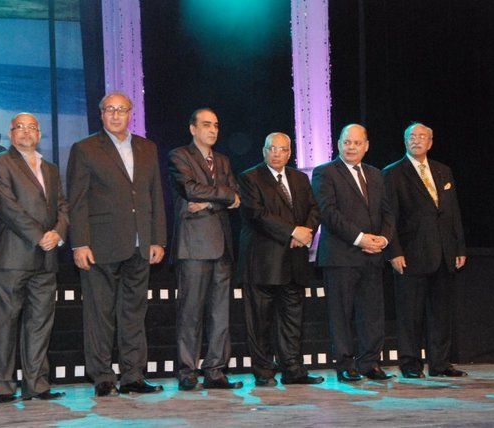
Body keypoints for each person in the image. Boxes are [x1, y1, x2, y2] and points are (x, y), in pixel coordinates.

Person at [67, 92, 167, 397]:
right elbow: (77, 201)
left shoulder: (147, 147)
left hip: (140, 243)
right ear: (101, 114)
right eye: (109, 109)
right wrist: (79, 243)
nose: (115, 114)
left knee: (134, 313)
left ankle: (133, 376)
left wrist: (158, 238)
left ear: (130, 113)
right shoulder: (85, 148)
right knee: (99, 314)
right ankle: (102, 377)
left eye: (121, 109)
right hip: (100, 245)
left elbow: (155, 195)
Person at [0, 113, 68, 403]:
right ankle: (1, 387)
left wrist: (58, 233)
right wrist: (40, 235)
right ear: (10, 134)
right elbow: (7, 207)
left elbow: (62, 206)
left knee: (40, 324)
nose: (26, 132)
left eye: (32, 127)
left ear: (39, 134)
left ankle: (37, 384)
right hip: (13, 256)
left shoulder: (51, 168)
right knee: (4, 323)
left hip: (47, 259)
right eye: (19, 127)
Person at [237, 132, 324, 386]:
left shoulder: (299, 178)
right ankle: (264, 372)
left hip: (295, 261)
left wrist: (306, 232)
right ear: (264, 151)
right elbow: (257, 215)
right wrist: (292, 231)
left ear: (289, 153)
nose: (277, 153)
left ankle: (293, 370)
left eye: (282, 149)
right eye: (272, 148)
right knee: (260, 321)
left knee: (292, 319)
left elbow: (314, 209)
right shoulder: (250, 177)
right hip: (263, 263)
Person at [383, 123, 467, 378]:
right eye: (412, 136)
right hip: (411, 254)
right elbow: (389, 217)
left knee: (441, 312)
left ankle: (440, 364)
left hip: (444, 252)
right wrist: (394, 251)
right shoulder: (393, 173)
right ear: (405, 141)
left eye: (422, 137)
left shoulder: (443, 170)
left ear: (430, 142)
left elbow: (452, 212)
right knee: (410, 313)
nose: (417, 140)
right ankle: (410, 364)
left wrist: (459, 246)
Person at [311, 124, 395, 382]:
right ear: (338, 144)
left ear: (366, 146)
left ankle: (370, 363)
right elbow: (328, 212)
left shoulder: (376, 174)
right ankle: (346, 364)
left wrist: (383, 238)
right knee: (341, 314)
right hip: (341, 255)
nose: (351, 147)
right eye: (347, 142)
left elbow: (388, 212)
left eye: (357, 143)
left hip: (373, 255)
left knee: (372, 313)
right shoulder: (325, 172)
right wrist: (360, 239)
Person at [168, 108, 242, 391]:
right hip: (194, 246)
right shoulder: (179, 156)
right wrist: (223, 196)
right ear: (193, 129)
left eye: (216, 125)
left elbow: (237, 196)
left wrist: (210, 201)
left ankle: (215, 370)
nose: (213, 130)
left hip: (222, 246)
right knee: (191, 313)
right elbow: (190, 189)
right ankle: (187, 371)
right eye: (206, 125)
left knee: (220, 314)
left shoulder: (222, 160)